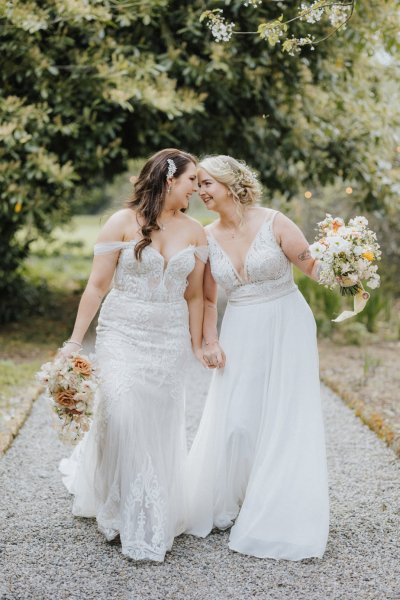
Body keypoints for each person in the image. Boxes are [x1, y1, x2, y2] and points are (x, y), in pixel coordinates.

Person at [59, 148, 208, 562]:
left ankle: (149, 503)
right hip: (122, 332)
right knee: (123, 415)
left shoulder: (197, 231)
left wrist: (196, 343)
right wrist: (75, 340)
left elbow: (195, 295)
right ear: (169, 178)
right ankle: (119, 507)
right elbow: (96, 287)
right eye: (193, 180)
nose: (197, 188)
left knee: (157, 421)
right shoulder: (121, 222)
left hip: (168, 338)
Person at [185, 155, 329, 560]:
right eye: (198, 185)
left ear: (231, 183)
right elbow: (209, 298)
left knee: (284, 412)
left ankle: (280, 501)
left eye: (208, 183)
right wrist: (209, 341)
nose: (200, 191)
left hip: (287, 321)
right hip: (241, 327)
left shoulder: (274, 222)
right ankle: (236, 496)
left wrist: (350, 270)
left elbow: (313, 267)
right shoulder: (206, 235)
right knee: (238, 420)